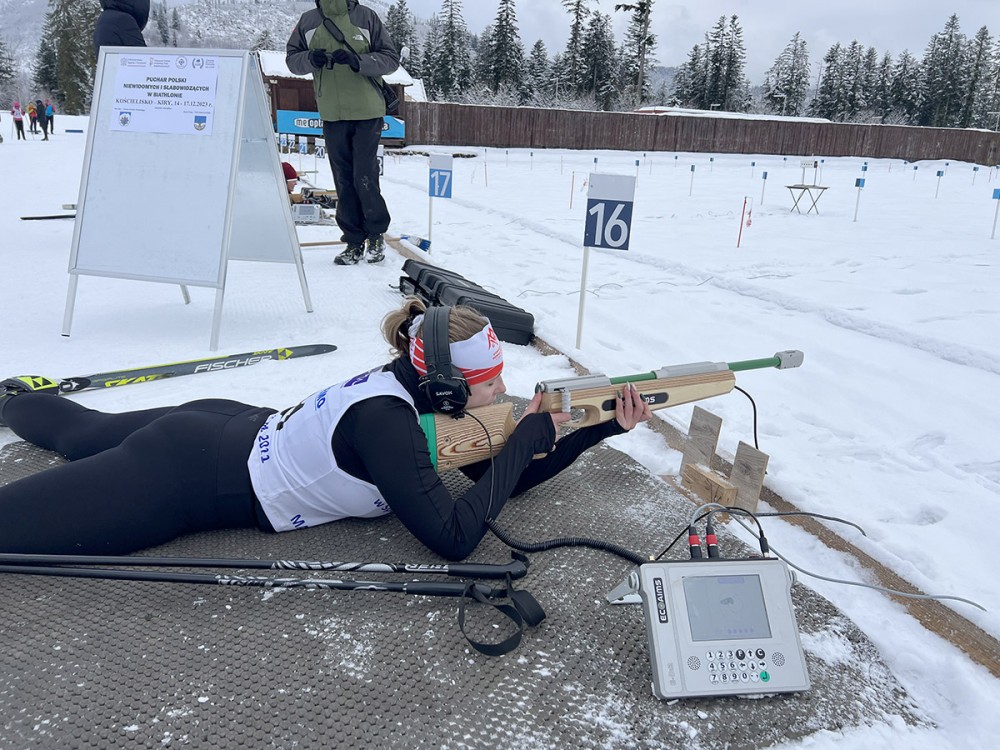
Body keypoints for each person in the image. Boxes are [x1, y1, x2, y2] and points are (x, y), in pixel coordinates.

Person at [0, 298, 651, 559]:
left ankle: (15, 399)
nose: (502, 391)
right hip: (185, 475)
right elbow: (455, 539)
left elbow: (504, 478)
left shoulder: (419, 390)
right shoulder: (387, 426)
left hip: (224, 424)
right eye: (490, 382)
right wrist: (531, 438)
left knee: (84, 433)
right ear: (451, 384)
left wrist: (598, 430)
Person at [286, 0, 398, 266]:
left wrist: (359, 61)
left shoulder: (366, 17)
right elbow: (292, 60)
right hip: (332, 113)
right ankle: (353, 240)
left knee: (364, 175)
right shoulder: (308, 21)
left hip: (367, 112)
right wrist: (309, 59)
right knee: (343, 180)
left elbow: (390, 59)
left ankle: (375, 235)